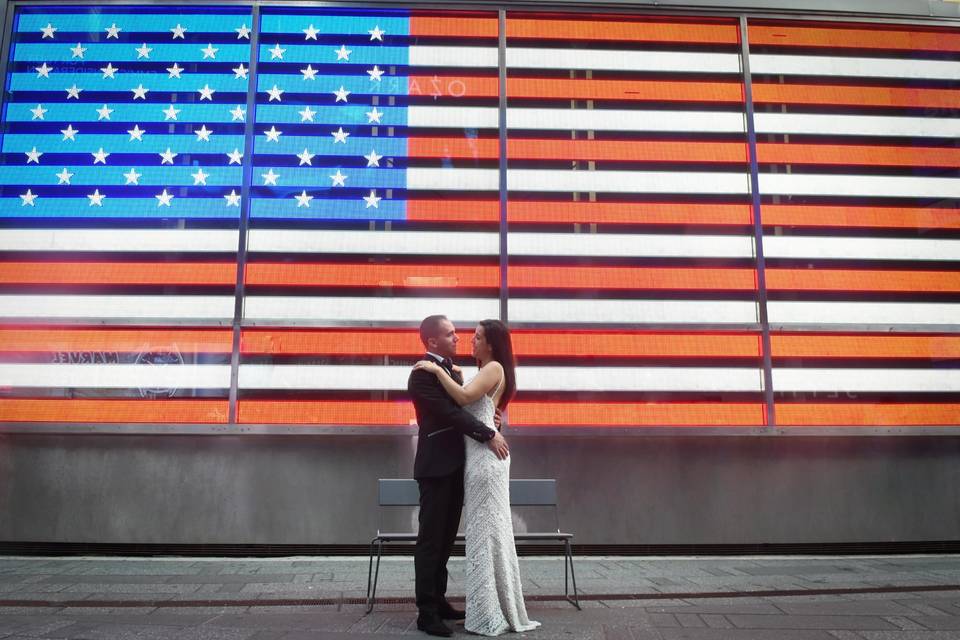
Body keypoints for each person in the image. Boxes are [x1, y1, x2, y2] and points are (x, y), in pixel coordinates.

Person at [414, 319, 541, 637]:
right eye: (450, 334)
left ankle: (441, 602)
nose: (460, 338)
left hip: (464, 466)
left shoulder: (459, 372)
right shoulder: (421, 374)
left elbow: (472, 404)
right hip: (439, 467)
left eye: (472, 335)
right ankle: (426, 613)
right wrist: (488, 430)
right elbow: (452, 413)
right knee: (432, 542)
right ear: (432, 342)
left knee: (445, 541)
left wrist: (492, 420)